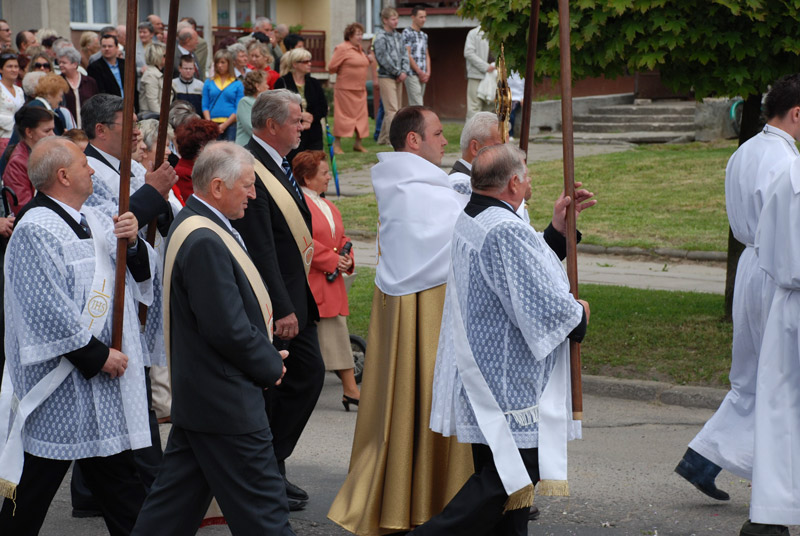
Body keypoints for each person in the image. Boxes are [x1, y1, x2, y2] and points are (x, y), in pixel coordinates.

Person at [409, 143, 589, 536]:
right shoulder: (504, 228)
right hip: (506, 383)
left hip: (485, 374)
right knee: (513, 478)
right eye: (525, 175)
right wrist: (579, 314)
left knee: (510, 497)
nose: (530, 182)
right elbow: (541, 305)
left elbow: (521, 269)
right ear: (512, 183)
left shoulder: (478, 215)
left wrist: (557, 230)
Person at [131, 141, 295, 536]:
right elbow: (227, 328)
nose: (254, 195)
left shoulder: (201, 224)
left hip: (205, 397)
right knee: (265, 515)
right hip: (226, 401)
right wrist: (271, 364)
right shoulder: (204, 237)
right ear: (218, 187)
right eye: (248, 185)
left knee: (169, 514)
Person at [328, 106, 473, 534]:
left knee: (409, 403)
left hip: (413, 308)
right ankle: (425, 501)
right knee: (424, 399)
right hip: (424, 310)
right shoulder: (417, 190)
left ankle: (416, 496)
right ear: (413, 141)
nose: (445, 141)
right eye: (436, 133)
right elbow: (460, 237)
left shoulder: (419, 184)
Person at [0, 136, 154, 536]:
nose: (92, 169)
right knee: (32, 489)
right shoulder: (34, 228)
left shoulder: (97, 218)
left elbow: (134, 274)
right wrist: (97, 355)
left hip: (99, 388)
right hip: (60, 386)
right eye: (85, 163)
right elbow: (43, 307)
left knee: (120, 486)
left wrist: (134, 241)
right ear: (64, 175)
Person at [675, 74, 800, 505]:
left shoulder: (745, 151)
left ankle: (703, 459)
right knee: (775, 380)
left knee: (749, 377)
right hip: (774, 269)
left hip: (750, 266)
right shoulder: (786, 162)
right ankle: (773, 481)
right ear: (797, 113)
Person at [231, 89, 326, 512]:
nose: (302, 126)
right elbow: (261, 245)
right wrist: (283, 307)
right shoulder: (252, 166)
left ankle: (271, 465)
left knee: (303, 377)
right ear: (270, 125)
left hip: (293, 295)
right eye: (296, 120)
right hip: (275, 303)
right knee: (288, 380)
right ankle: (265, 472)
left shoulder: (279, 163)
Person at [294, 150, 359, 409]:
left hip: (330, 283)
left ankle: (349, 388)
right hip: (314, 282)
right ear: (308, 179)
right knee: (334, 336)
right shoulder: (302, 205)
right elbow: (304, 241)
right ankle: (350, 389)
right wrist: (334, 261)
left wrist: (347, 258)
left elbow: (342, 239)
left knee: (334, 335)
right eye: (324, 173)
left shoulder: (328, 205)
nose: (329, 177)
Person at [275, 48, 327, 162]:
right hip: (291, 132)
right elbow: (279, 106)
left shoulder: (314, 83)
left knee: (314, 164)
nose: (309, 64)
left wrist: (311, 118)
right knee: (295, 164)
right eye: (305, 61)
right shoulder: (282, 82)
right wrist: (301, 116)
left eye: (310, 61)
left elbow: (323, 107)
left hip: (313, 132)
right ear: (295, 64)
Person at [328, 22, 372, 155]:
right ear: (350, 35)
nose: (360, 37)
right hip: (345, 90)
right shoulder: (342, 48)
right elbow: (331, 67)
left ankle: (358, 144)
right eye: (357, 34)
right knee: (342, 117)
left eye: (361, 34)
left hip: (360, 89)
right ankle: (337, 144)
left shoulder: (360, 49)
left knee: (362, 117)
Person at [2, 105, 55, 213]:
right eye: (47, 131)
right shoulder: (17, 164)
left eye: (52, 130)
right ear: (29, 132)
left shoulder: (48, 153)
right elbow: (23, 208)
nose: (52, 135)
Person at [372, 6, 409, 145]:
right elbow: (383, 58)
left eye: (397, 18)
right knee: (392, 110)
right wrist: (397, 72)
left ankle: (382, 139)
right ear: (385, 20)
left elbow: (405, 54)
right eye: (393, 19)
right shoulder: (380, 37)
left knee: (396, 109)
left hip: (400, 77)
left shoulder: (398, 36)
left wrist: (404, 71)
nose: (396, 21)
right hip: (386, 76)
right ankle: (391, 140)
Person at [174, 117, 220, 201]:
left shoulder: (206, 167)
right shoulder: (183, 174)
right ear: (201, 148)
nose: (217, 148)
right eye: (213, 144)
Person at [202, 49, 243, 141]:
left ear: (229, 64)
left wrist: (224, 125)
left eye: (223, 62)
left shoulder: (237, 83)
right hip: (212, 123)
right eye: (217, 62)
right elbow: (205, 105)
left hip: (231, 124)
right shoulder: (209, 82)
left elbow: (238, 108)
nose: (219, 65)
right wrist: (209, 123)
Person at [58, 45, 98, 129]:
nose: (60, 65)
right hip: (67, 128)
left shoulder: (89, 82)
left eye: (64, 63)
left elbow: (95, 104)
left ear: (75, 64)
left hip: (87, 128)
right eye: (60, 62)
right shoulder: (58, 81)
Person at [464, 26, 495, 120]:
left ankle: (485, 134)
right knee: (474, 107)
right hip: (476, 75)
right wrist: (485, 67)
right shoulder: (473, 33)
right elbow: (468, 53)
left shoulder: (498, 32)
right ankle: (471, 133)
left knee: (489, 106)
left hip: (494, 75)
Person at [402, 5, 431, 106]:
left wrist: (427, 72)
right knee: (417, 104)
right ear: (413, 17)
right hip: (412, 73)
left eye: (425, 17)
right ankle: (418, 122)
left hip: (423, 74)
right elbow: (407, 54)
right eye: (421, 17)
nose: (424, 19)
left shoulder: (424, 35)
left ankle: (412, 121)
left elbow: (426, 54)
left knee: (417, 103)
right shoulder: (407, 33)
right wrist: (419, 71)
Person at [87, 33, 129, 99]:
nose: (107, 49)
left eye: (110, 46)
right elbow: (99, 92)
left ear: (117, 47)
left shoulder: (126, 65)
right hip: (108, 106)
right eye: (104, 46)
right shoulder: (94, 68)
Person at [236, 69, 267, 145]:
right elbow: (250, 127)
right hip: (246, 147)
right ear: (257, 86)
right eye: (265, 84)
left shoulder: (263, 103)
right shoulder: (245, 102)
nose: (268, 86)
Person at [139, 42, 167, 114]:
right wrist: (163, 118)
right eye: (165, 55)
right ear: (158, 56)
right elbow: (152, 102)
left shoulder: (156, 72)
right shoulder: (151, 75)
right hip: (152, 118)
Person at [0, 53, 23, 139]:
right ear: (1, 69)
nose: (13, 70)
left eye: (16, 66)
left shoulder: (19, 90)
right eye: (9, 66)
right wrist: (15, 121)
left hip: (17, 136)